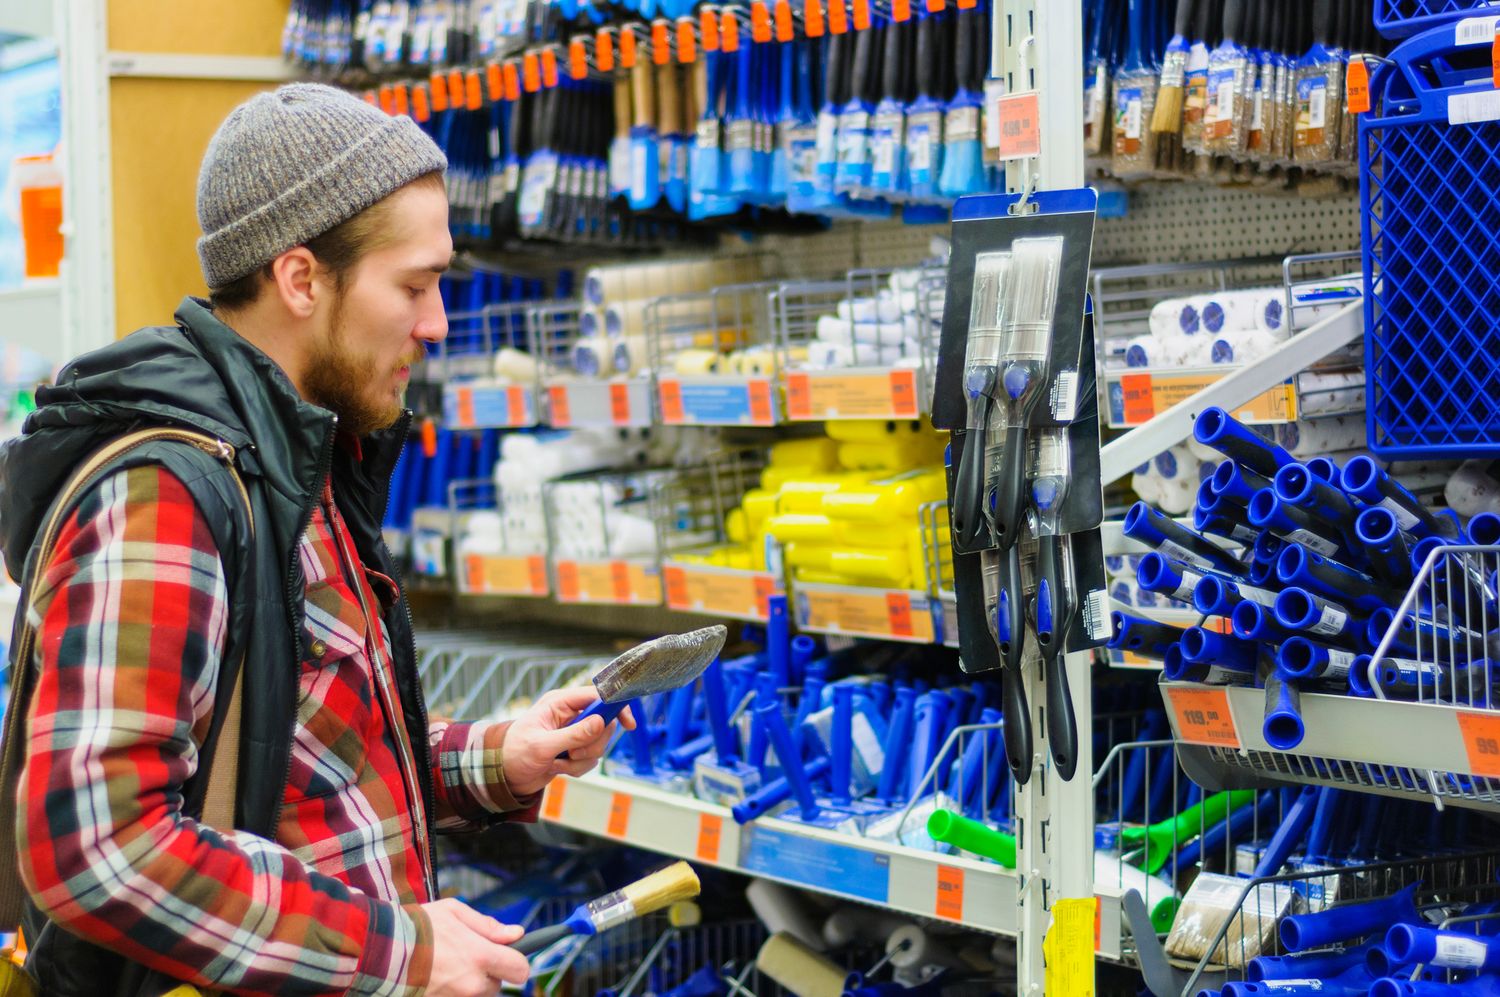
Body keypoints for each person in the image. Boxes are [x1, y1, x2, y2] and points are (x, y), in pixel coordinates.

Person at [0, 83, 629, 997]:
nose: (437, 322)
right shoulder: (169, 493)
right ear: (301, 280)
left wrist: (495, 758)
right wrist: (401, 951)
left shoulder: (303, 462)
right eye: (413, 284)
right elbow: (98, 843)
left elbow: (305, 762)